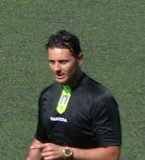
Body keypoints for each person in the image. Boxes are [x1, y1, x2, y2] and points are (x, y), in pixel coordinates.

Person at [27, 30, 122, 160]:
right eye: (52, 62)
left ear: (79, 59)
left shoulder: (100, 98)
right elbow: (40, 141)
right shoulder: (47, 95)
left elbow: (112, 155)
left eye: (63, 62)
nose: (56, 69)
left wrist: (66, 152)